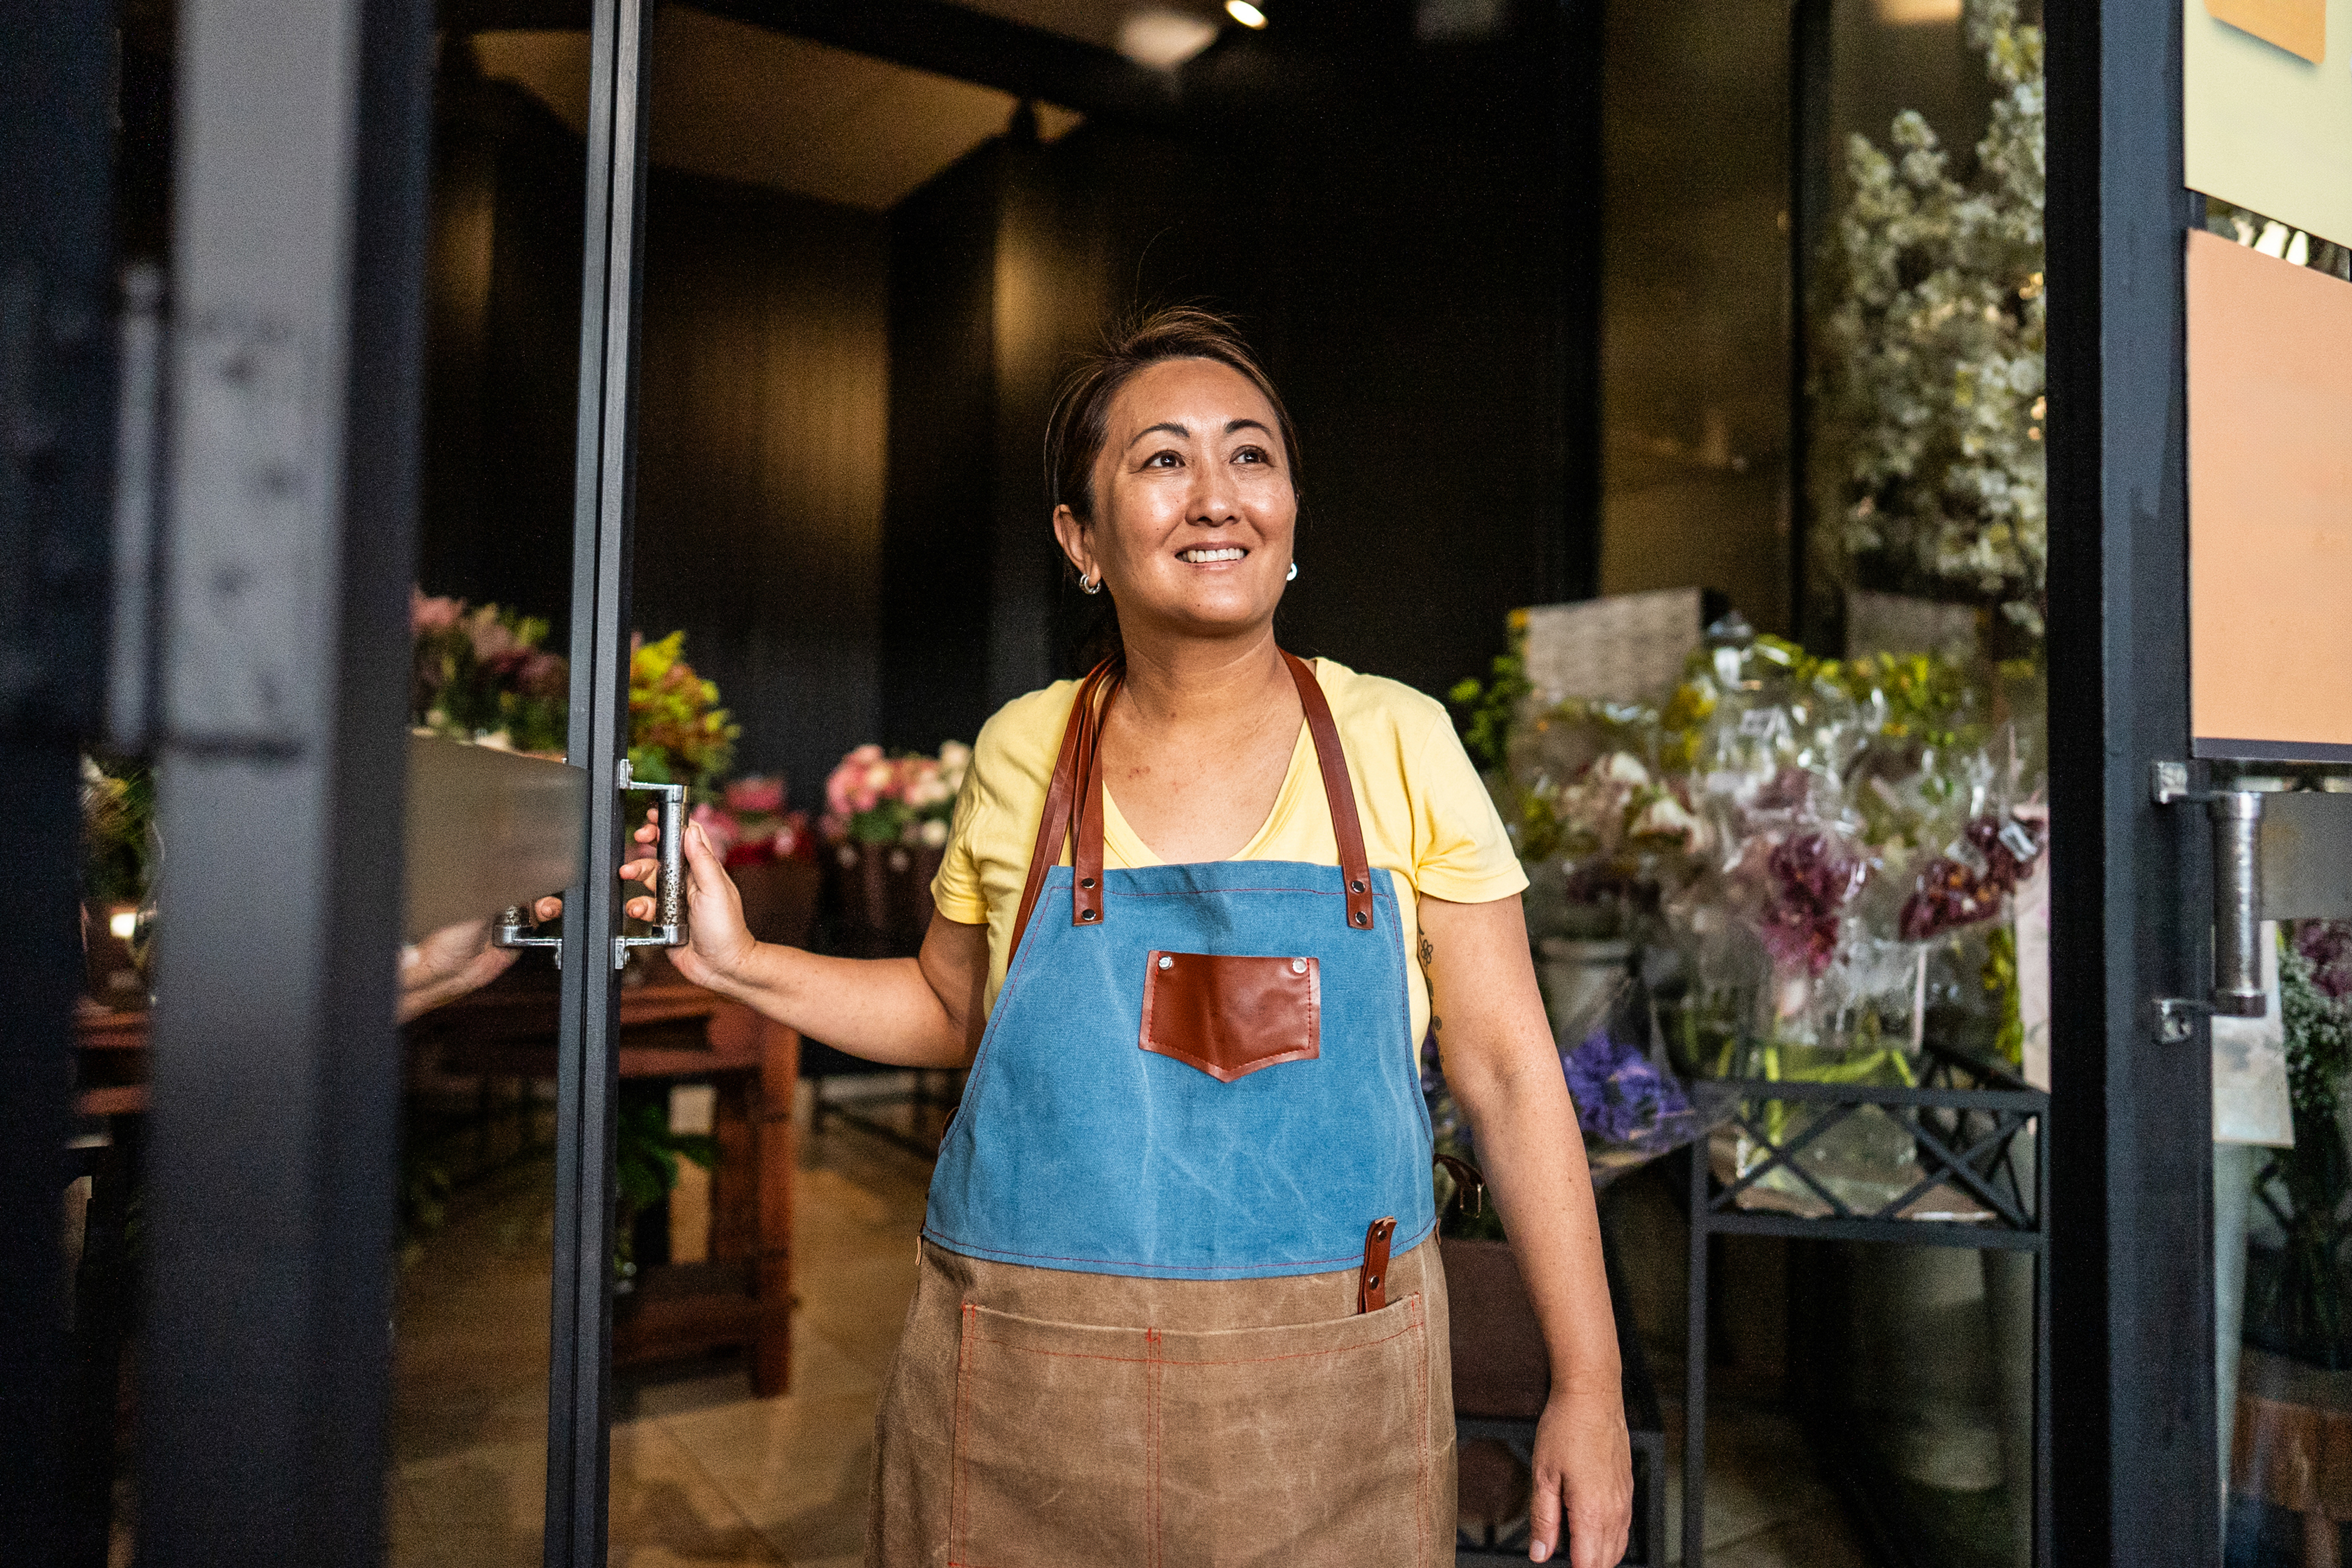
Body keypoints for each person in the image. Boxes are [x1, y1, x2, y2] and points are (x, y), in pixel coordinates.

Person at [618, 308, 1632, 1566]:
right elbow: (951, 1012)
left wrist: (1590, 1384)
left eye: (1250, 457)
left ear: (1294, 512)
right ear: (1081, 540)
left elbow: (1510, 1071)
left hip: (1331, 1405)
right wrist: (738, 963)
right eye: (1164, 461)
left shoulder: (1398, 740)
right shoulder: (1023, 748)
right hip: (1026, 1404)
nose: (1217, 496)